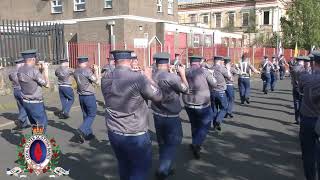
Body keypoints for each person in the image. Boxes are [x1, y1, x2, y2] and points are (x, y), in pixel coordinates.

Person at [101, 50, 162, 180]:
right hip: (135, 133)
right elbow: (158, 97)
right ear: (130, 61)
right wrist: (149, 77)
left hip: (114, 131)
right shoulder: (138, 78)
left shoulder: (106, 77)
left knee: (123, 164)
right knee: (140, 168)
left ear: (115, 61)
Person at [151, 52, 188, 179]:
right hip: (171, 116)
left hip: (157, 113)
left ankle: (167, 166)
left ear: (156, 63)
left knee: (162, 142)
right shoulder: (171, 77)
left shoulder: (152, 75)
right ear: (167, 63)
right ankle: (163, 170)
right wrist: (182, 75)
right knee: (173, 142)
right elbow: (186, 89)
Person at [183, 55, 217, 159]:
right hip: (202, 103)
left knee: (194, 124)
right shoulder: (204, 71)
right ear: (200, 62)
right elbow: (214, 84)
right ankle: (197, 144)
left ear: (191, 62)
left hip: (188, 103)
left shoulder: (186, 71)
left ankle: (194, 141)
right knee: (205, 124)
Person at [298, 50, 320, 180]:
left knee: (308, 154)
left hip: (308, 119)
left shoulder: (306, 77)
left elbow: (300, 90)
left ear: (313, 62)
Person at [17, 49, 50, 131]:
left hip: (26, 102)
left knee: (35, 125)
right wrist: (46, 70)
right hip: (35, 103)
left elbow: (33, 79)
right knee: (41, 126)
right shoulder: (34, 71)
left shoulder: (20, 69)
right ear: (33, 59)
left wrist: (40, 71)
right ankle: (37, 143)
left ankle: (35, 142)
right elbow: (47, 84)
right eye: (35, 58)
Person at [73, 56, 98, 143]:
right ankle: (82, 129)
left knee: (85, 114)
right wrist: (96, 71)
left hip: (81, 95)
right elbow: (96, 80)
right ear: (86, 62)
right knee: (92, 114)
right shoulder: (87, 70)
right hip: (89, 95)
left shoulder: (75, 71)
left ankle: (88, 134)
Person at [210, 56, 231, 131]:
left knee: (214, 109)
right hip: (221, 90)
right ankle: (218, 120)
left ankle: (214, 125)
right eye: (222, 61)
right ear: (219, 61)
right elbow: (230, 77)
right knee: (224, 107)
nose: (223, 62)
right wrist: (228, 69)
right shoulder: (221, 68)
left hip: (212, 91)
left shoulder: (211, 68)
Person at [9, 58, 30, 131]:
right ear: (21, 64)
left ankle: (24, 124)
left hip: (15, 91)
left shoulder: (12, 72)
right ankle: (20, 119)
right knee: (27, 106)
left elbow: (10, 79)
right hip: (23, 90)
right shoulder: (24, 72)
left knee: (21, 107)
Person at [290, 56, 305, 125]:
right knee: (302, 103)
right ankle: (302, 118)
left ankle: (297, 119)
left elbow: (292, 79)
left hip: (295, 87)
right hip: (302, 88)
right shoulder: (303, 69)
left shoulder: (293, 68)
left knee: (296, 103)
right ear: (302, 61)